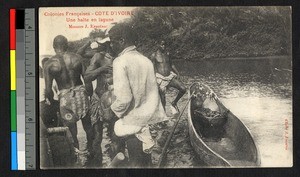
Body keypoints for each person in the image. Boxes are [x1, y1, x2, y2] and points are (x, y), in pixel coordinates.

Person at [108, 23, 167, 167]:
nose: (111, 46)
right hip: (149, 119)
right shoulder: (145, 59)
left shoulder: (120, 61)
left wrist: (112, 110)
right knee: (146, 161)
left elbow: (125, 98)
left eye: (112, 42)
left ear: (122, 41)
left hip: (134, 121)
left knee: (135, 164)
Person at [44, 35, 93, 154]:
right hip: (81, 93)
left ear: (54, 47)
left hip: (65, 97)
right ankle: (91, 150)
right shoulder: (77, 57)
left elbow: (48, 89)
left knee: (71, 128)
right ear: (67, 45)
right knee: (88, 126)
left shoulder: (49, 64)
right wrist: (90, 95)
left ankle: (76, 152)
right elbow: (86, 78)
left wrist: (51, 101)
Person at [84, 35, 125, 167]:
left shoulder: (122, 58)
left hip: (116, 100)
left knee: (116, 135)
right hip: (98, 98)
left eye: (115, 42)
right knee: (97, 136)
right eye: (110, 43)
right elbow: (87, 76)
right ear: (107, 44)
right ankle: (97, 165)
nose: (113, 45)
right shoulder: (99, 57)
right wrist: (101, 69)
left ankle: (116, 164)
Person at [150, 40, 186, 112]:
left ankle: (174, 103)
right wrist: (155, 81)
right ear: (158, 45)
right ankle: (164, 117)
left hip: (169, 77)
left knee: (183, 89)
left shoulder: (167, 54)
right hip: (160, 78)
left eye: (164, 45)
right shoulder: (154, 55)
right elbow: (152, 69)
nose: (164, 46)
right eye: (162, 45)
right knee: (163, 100)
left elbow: (172, 65)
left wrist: (178, 73)